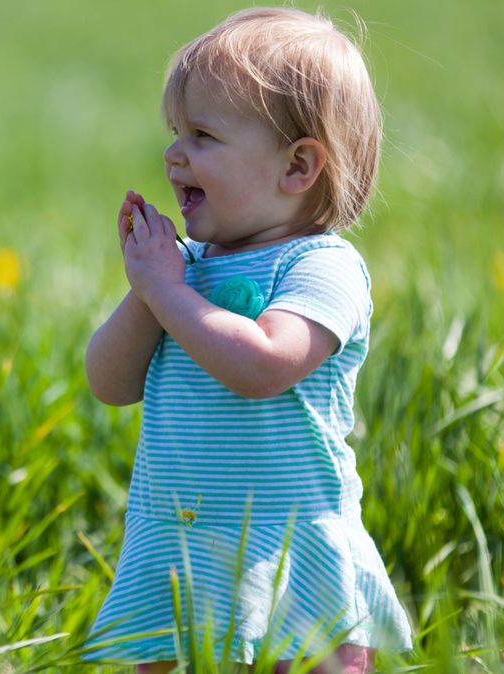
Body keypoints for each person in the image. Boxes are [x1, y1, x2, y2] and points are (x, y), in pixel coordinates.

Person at [82, 7, 412, 673]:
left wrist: (170, 293)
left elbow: (264, 363)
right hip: (180, 545)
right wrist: (151, 289)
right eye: (175, 133)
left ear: (298, 167)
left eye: (203, 135)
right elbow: (109, 384)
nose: (174, 154)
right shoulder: (186, 271)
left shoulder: (321, 267)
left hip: (288, 550)